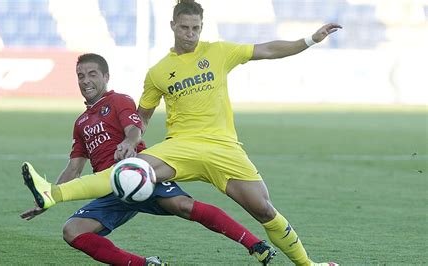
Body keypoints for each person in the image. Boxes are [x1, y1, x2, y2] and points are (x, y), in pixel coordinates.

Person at [25, 1, 343, 265]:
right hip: (182, 147)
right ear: (173, 26)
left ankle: (308, 264)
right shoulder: (159, 72)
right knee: (128, 170)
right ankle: (53, 193)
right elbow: (143, 117)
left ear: (201, 27)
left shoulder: (219, 52)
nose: (190, 34)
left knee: (263, 209)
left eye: (196, 28)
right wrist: (130, 140)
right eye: (184, 27)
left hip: (224, 147)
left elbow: (268, 50)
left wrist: (310, 40)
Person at [20, 53, 277, 266]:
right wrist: (50, 197)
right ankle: (145, 264)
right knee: (72, 230)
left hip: (138, 174)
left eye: (92, 74)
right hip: (110, 189)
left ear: (106, 77)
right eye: (80, 76)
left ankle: (255, 245)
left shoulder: (118, 101)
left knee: (183, 206)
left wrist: (129, 143)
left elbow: (134, 128)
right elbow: (74, 168)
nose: (85, 80)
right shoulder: (81, 123)